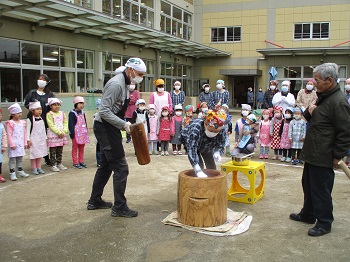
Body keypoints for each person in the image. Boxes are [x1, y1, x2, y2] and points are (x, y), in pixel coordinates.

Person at [289, 63, 350, 237]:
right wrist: (309, 110)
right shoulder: (322, 96)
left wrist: (338, 155)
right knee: (308, 186)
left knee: (321, 190)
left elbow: (345, 132)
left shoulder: (338, 102)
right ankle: (308, 214)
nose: (314, 83)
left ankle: (324, 222)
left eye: (317, 80)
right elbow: (308, 117)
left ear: (329, 80)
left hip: (324, 154)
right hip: (312, 152)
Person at [87, 57, 147, 218]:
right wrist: (124, 124)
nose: (140, 77)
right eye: (139, 74)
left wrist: (124, 122)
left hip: (111, 126)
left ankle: (94, 200)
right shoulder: (116, 84)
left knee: (106, 166)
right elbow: (104, 111)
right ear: (130, 70)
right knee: (121, 168)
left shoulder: (126, 84)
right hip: (105, 127)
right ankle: (119, 207)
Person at [180, 109, 227, 178]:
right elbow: (192, 149)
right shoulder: (195, 130)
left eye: (216, 131)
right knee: (199, 165)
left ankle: (212, 180)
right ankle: (199, 181)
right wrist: (197, 169)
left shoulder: (222, 129)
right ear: (205, 124)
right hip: (191, 141)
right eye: (211, 130)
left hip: (207, 142)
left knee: (211, 163)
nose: (213, 132)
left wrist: (217, 152)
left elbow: (221, 143)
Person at [24, 73, 54, 166]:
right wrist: (34, 109)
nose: (41, 80)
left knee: (43, 139)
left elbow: (52, 106)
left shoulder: (49, 94)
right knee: (34, 138)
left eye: (43, 79)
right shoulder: (32, 93)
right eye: (40, 79)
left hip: (45, 118)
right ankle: (35, 159)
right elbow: (26, 103)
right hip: (33, 118)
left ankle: (46, 157)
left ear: (47, 82)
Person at [7, 103, 29, 181]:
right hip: (14, 144)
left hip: (20, 144)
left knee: (20, 158)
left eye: (20, 112)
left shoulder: (22, 122)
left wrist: (25, 142)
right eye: (17, 113)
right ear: (13, 114)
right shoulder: (10, 123)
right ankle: (12, 172)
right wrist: (11, 144)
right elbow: (9, 134)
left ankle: (20, 171)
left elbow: (25, 132)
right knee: (12, 159)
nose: (20, 114)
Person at [46, 98, 68, 172]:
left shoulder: (62, 113)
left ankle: (59, 163)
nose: (57, 106)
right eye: (54, 105)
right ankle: (53, 164)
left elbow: (65, 122)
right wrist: (58, 132)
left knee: (59, 150)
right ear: (50, 106)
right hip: (53, 135)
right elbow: (51, 125)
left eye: (58, 105)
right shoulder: (49, 114)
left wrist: (64, 131)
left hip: (61, 134)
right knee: (53, 150)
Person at [68, 96, 90, 169]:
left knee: (82, 148)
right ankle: (75, 162)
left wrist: (86, 130)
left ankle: (81, 161)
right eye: (80, 103)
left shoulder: (83, 112)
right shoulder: (72, 113)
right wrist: (72, 133)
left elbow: (84, 121)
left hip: (83, 133)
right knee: (75, 148)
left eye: (82, 103)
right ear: (75, 104)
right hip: (76, 133)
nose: (81, 105)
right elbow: (70, 124)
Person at [26, 101, 47, 175]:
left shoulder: (41, 118)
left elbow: (43, 129)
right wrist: (28, 140)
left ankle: (39, 167)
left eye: (40, 109)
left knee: (39, 153)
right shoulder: (29, 120)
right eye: (37, 109)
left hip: (40, 139)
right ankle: (34, 168)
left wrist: (45, 138)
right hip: (33, 139)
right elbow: (27, 130)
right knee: (33, 154)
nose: (39, 111)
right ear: (32, 111)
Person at [0, 109, 7, 183]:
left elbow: (4, 136)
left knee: (0, 163)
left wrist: (4, 146)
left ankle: (0, 175)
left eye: (0, 115)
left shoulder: (1, 125)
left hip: (0, 148)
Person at [94, 98, 101, 167]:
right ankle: (99, 162)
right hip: (98, 136)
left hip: (105, 136)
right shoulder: (95, 116)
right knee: (99, 149)